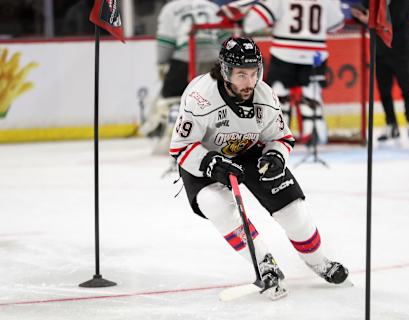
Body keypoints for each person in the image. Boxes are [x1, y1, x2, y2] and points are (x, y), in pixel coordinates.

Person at [169, 37, 348, 299]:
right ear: (225, 71)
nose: (249, 82)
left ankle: (319, 261)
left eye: (254, 74)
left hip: (250, 151)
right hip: (205, 157)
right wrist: (210, 164)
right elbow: (181, 147)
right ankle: (264, 264)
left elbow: (282, 138)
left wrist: (275, 157)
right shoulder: (200, 97)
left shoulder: (265, 96)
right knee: (215, 204)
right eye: (242, 74)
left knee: (294, 212)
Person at [218, 0, 345, 144]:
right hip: (315, 54)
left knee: (279, 95)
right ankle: (315, 135)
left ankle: (279, 137)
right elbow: (338, 23)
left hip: (284, 52)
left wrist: (244, 16)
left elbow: (252, 23)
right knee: (312, 94)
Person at [140, 0, 223, 154]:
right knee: (215, 98)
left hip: (185, 60)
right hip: (214, 60)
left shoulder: (171, 8)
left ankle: (172, 137)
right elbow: (226, 37)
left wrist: (162, 63)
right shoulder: (212, 7)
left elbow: (165, 43)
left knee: (171, 97)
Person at [351, 0, 409, 142]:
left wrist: (369, 17)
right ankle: (391, 124)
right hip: (380, 52)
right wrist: (358, 15)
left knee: (406, 87)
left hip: (401, 50)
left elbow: (395, 19)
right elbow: (364, 11)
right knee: (384, 91)